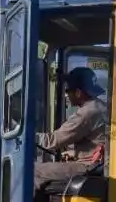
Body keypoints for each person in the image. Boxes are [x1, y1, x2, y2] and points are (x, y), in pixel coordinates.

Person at [34, 66, 108, 194]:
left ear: (78, 93)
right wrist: (74, 153)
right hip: (96, 164)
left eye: (68, 90)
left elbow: (53, 141)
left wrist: (27, 135)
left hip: (89, 167)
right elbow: (96, 142)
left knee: (34, 170)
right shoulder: (99, 106)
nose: (66, 94)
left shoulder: (87, 113)